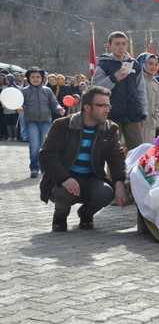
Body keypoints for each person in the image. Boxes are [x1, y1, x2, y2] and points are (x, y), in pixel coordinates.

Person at [39, 86, 129, 232]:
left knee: (106, 193)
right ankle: (60, 216)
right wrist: (64, 178)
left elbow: (116, 158)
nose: (107, 110)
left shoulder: (110, 129)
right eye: (102, 105)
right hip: (65, 178)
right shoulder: (62, 125)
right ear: (87, 107)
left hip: (92, 178)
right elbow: (47, 156)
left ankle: (86, 214)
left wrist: (119, 184)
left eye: (108, 105)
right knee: (63, 194)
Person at [92, 31, 147, 150]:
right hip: (112, 114)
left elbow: (141, 90)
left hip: (133, 114)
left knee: (138, 151)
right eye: (117, 44)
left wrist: (143, 113)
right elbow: (95, 88)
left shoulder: (135, 65)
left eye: (124, 44)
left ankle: (134, 170)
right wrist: (113, 79)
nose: (121, 47)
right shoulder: (104, 64)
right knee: (112, 151)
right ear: (109, 46)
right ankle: (111, 170)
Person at [18, 68, 65, 178]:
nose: (35, 79)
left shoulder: (47, 90)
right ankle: (34, 168)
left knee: (45, 145)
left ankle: (45, 167)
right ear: (28, 78)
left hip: (46, 121)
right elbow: (19, 104)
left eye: (38, 77)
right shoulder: (24, 91)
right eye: (32, 77)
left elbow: (54, 103)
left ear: (43, 78)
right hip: (31, 121)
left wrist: (59, 109)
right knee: (34, 145)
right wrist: (19, 108)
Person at [137, 53, 159, 144]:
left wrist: (156, 122)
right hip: (137, 123)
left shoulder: (156, 83)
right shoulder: (136, 80)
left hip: (150, 124)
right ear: (143, 63)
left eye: (156, 64)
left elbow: (156, 105)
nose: (154, 67)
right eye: (150, 64)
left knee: (148, 152)